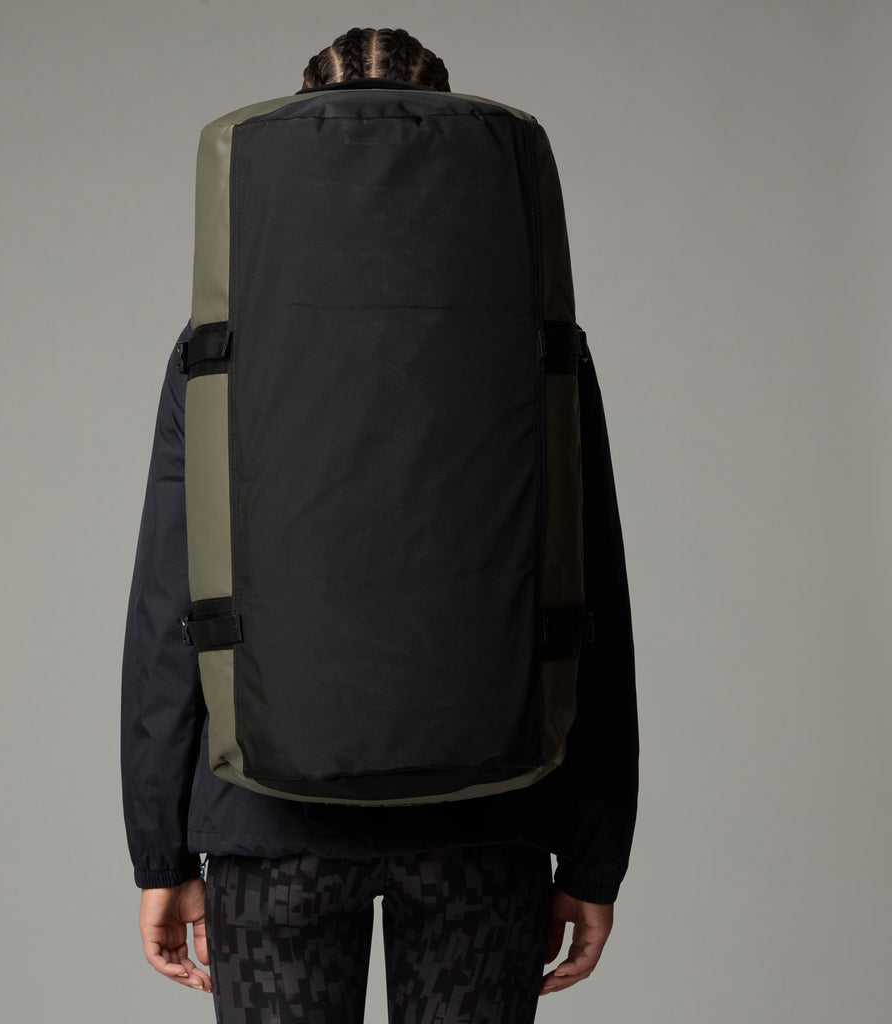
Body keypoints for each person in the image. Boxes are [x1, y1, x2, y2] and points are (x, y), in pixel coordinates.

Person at [121, 26, 638, 1024]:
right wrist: (593, 853)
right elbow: (587, 584)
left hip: (267, 826)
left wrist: (159, 848)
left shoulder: (220, 347)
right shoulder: (538, 342)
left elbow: (171, 599)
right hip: (491, 821)